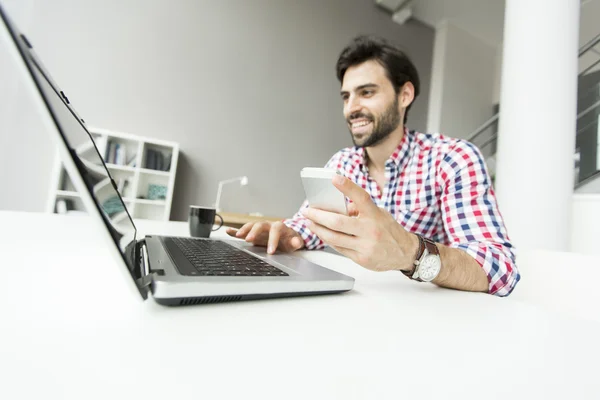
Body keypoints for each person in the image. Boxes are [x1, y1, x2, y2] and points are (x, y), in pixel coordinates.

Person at [226, 35, 520, 296]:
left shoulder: (453, 159)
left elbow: (499, 270)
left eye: (366, 92)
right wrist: (290, 234)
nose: (352, 107)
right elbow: (311, 224)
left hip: (433, 328)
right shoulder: (343, 163)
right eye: (346, 96)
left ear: (404, 95)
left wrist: (410, 252)